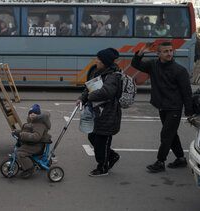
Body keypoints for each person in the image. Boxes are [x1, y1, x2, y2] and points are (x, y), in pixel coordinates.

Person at [131, 41, 193, 173]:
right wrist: (141, 52)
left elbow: (187, 93)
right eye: (165, 51)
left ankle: (160, 161)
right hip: (162, 106)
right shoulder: (153, 65)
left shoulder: (180, 70)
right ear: (158, 53)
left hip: (174, 107)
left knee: (166, 134)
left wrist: (189, 113)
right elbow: (135, 64)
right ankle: (181, 158)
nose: (169, 53)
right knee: (171, 134)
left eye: (171, 50)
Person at [76, 48, 122, 177]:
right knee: (93, 137)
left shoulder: (113, 76)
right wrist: (82, 98)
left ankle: (102, 167)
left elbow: (107, 92)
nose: (96, 62)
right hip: (97, 114)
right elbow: (88, 88)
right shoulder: (97, 72)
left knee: (102, 141)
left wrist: (90, 96)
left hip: (109, 114)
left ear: (105, 62)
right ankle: (112, 156)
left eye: (99, 60)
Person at [13, 104, 51, 179]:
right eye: (30, 113)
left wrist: (22, 135)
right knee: (19, 149)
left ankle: (29, 168)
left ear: (38, 115)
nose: (32, 114)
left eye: (34, 113)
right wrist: (17, 132)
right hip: (31, 143)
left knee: (19, 153)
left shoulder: (39, 124)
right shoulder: (32, 122)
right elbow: (26, 131)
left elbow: (36, 136)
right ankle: (26, 163)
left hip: (36, 145)